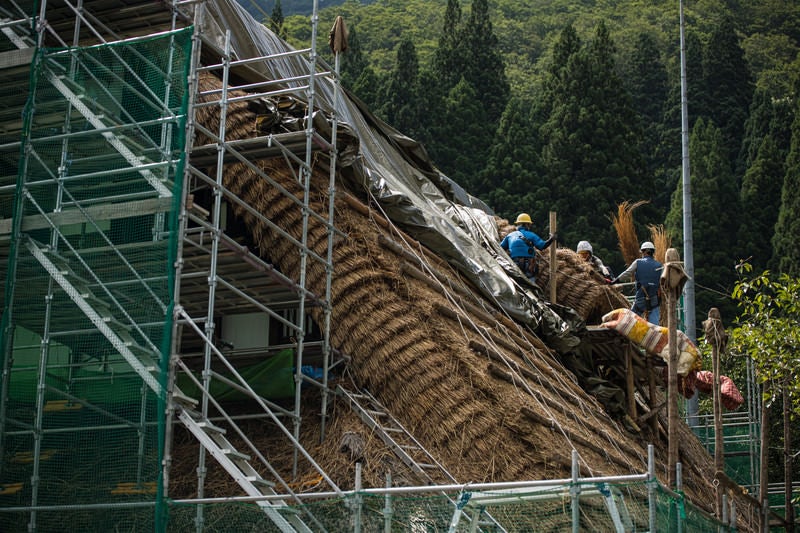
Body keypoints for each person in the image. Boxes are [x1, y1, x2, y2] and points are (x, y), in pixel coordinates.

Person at [611, 241, 663, 324]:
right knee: (654, 324)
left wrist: (615, 281)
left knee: (631, 321)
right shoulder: (660, 266)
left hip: (641, 297)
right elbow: (662, 282)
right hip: (654, 298)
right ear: (653, 252)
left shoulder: (638, 262)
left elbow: (627, 273)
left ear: (643, 252)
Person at [500, 213, 556, 284]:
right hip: (528, 265)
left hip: (514, 264)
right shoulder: (531, 235)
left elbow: (500, 248)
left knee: (517, 284)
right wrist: (552, 239)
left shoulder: (510, 236)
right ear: (527, 224)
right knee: (530, 284)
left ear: (518, 224)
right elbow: (543, 246)